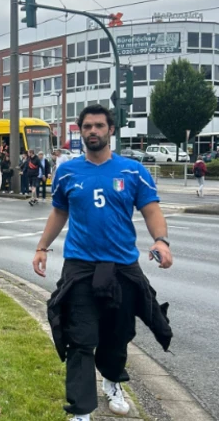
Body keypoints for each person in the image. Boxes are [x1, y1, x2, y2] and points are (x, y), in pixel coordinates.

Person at [32, 105, 173, 421]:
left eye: (98, 126)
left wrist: (161, 241)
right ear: (79, 131)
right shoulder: (67, 172)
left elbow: (151, 210)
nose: (92, 131)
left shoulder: (133, 171)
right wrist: (42, 247)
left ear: (111, 130)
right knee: (80, 337)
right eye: (86, 127)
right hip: (80, 266)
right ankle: (81, 411)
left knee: (117, 333)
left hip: (122, 266)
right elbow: (59, 211)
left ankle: (112, 381)